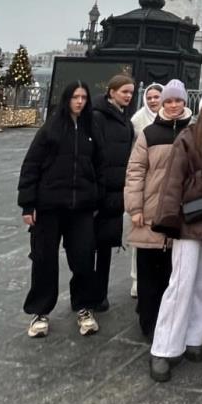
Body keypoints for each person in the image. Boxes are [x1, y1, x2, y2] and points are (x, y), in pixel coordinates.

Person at [148, 84, 202, 382]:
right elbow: (173, 179)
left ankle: (193, 337)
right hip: (190, 213)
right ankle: (163, 348)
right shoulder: (187, 137)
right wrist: (168, 218)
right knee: (181, 282)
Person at [17, 81, 103, 338]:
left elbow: (100, 165)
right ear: (67, 99)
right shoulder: (50, 129)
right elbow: (31, 165)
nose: (80, 102)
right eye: (75, 97)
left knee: (84, 258)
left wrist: (96, 198)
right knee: (44, 260)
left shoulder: (91, 128)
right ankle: (40, 311)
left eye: (84, 97)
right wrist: (28, 204)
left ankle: (84, 307)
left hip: (82, 207)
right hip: (49, 207)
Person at [124, 79, 192, 341]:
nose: (173, 105)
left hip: (182, 213)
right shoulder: (149, 133)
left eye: (178, 100)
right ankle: (149, 321)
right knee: (148, 271)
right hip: (151, 211)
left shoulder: (194, 130)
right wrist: (135, 207)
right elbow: (135, 171)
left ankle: (171, 321)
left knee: (174, 274)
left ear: (185, 102)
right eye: (169, 101)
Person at [91, 74, 135, 309]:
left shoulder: (125, 120)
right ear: (112, 92)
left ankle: (100, 293)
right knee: (88, 246)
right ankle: (87, 292)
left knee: (106, 245)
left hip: (116, 192)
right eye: (124, 91)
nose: (128, 96)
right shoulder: (97, 116)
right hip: (98, 190)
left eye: (131, 92)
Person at [128, 82, 164, 298]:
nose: (152, 100)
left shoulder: (177, 119)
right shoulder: (137, 120)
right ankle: (136, 279)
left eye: (156, 96)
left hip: (165, 188)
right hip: (146, 187)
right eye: (149, 97)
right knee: (140, 238)